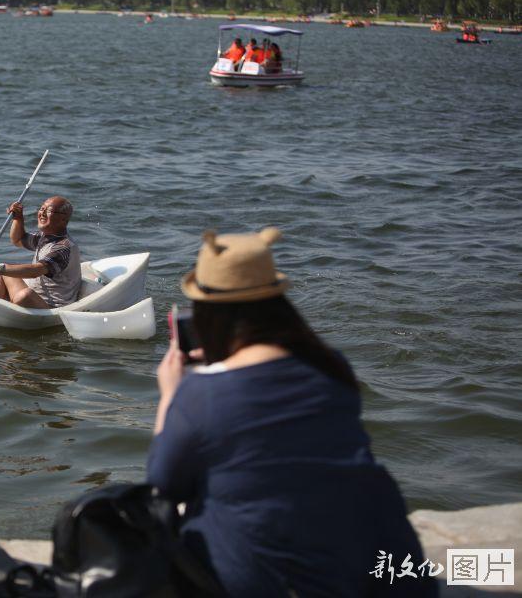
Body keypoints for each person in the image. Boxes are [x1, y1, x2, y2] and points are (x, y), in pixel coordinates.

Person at [147, 228, 437, 597]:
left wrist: (171, 395)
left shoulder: (201, 392)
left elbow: (163, 483)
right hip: (385, 563)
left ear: (206, 313)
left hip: (269, 581)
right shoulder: (331, 365)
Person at [0, 196, 81, 309]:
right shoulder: (44, 237)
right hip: (36, 295)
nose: (42, 213)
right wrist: (18, 218)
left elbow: (36, 271)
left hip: (52, 306)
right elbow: (18, 240)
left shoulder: (63, 247)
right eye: (41, 209)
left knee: (24, 295)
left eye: (49, 211)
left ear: (63, 219)